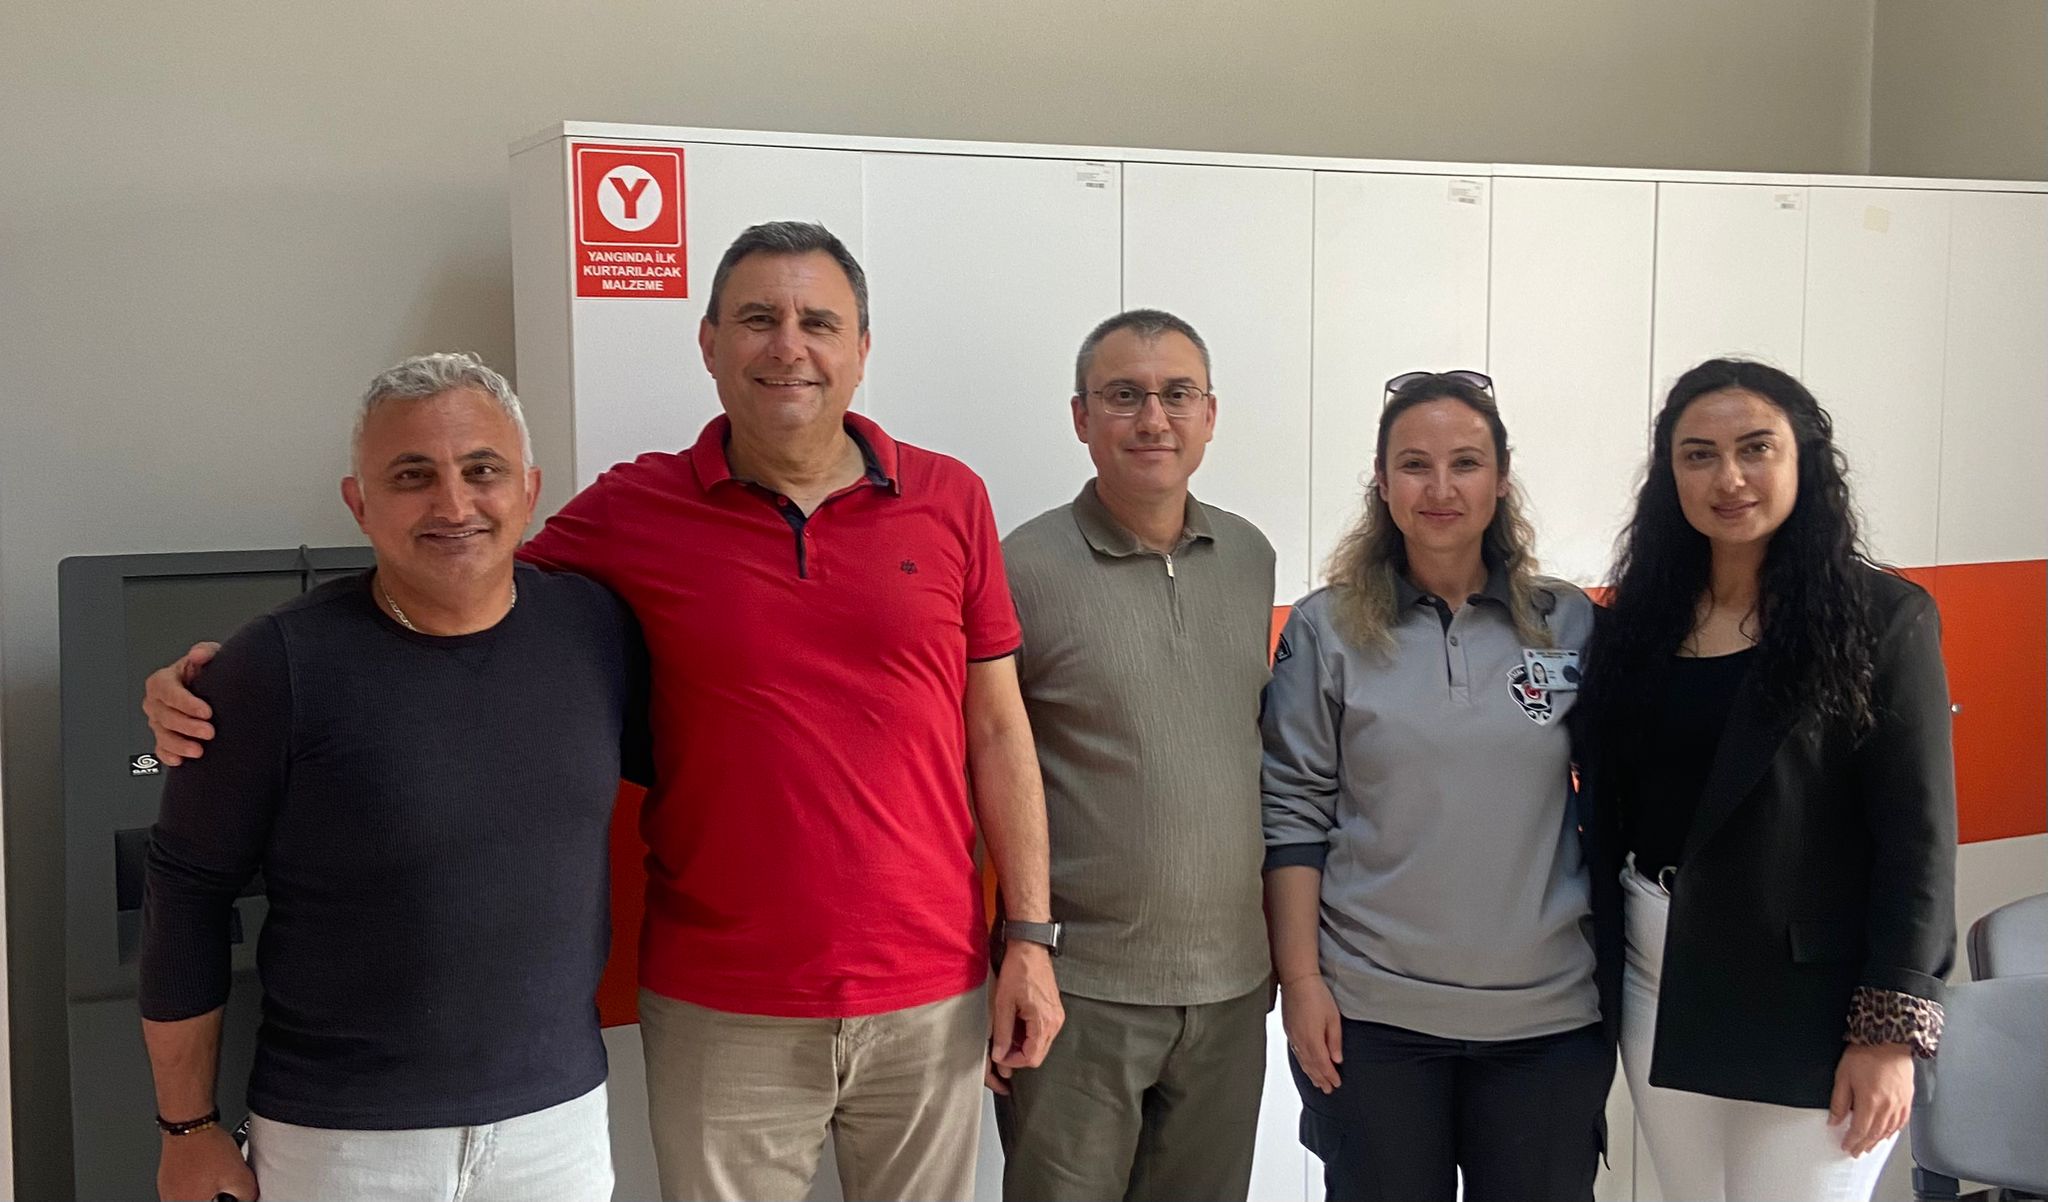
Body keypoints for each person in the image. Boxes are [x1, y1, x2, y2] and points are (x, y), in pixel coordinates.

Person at [146, 222, 1062, 1202]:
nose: (788, 345)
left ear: (862, 348)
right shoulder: (634, 510)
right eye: (757, 318)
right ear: (709, 344)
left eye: (818, 322)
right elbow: (456, 577)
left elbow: (998, 727)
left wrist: (1030, 934)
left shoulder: (951, 497)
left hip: (931, 986)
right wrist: (230, 676)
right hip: (719, 1002)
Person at [139, 353, 638, 1202]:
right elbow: (186, 891)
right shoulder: (275, 666)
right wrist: (187, 1131)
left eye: (482, 470)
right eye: (413, 475)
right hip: (343, 1146)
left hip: (557, 1131)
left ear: (529, 490)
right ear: (358, 502)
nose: (454, 505)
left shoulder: (595, 631)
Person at [1580, 358, 1956, 1202]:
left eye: (1756, 448)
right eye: (1699, 454)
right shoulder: (1640, 621)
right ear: (1669, 472)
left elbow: (1919, 843)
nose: (1729, 478)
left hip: (1810, 1004)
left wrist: (1889, 1034)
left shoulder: (1882, 619)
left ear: (1803, 459)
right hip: (1656, 977)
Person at [1261, 371, 1614, 1202]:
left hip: (1548, 1020)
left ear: (1501, 478)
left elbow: (1624, 792)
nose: (1441, 488)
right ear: (1382, 484)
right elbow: (1293, 813)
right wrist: (1302, 985)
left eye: (1466, 463)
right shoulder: (1327, 629)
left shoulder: (1568, 623)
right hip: (1373, 1019)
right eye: (1415, 465)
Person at [995, 310, 1274, 1201]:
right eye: (1124, 396)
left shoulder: (1250, 556)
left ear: (1210, 414)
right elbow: (984, 773)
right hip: (1079, 994)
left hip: (1233, 988)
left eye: (1177, 394)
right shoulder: (1018, 568)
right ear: (1081, 417)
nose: (1154, 418)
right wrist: (1017, 954)